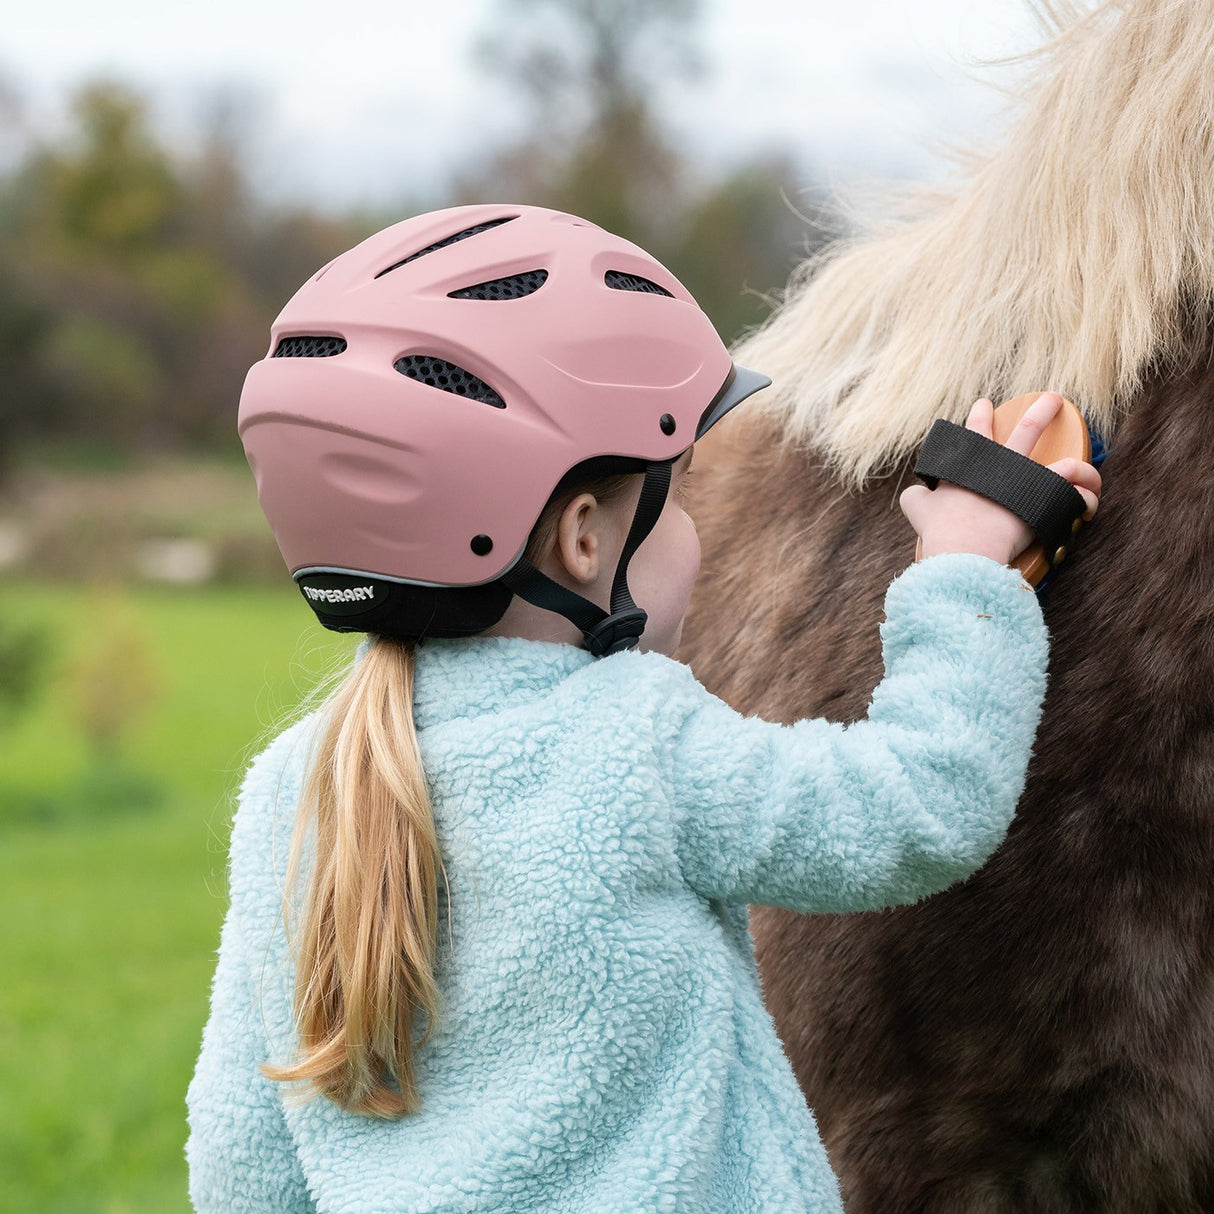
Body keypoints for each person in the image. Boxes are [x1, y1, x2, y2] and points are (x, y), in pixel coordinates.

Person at [186, 204, 1100, 1213]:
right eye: (678, 493)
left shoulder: (292, 788)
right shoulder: (634, 744)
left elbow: (244, 1157)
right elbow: (917, 806)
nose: (697, 528)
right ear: (583, 539)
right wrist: (962, 570)